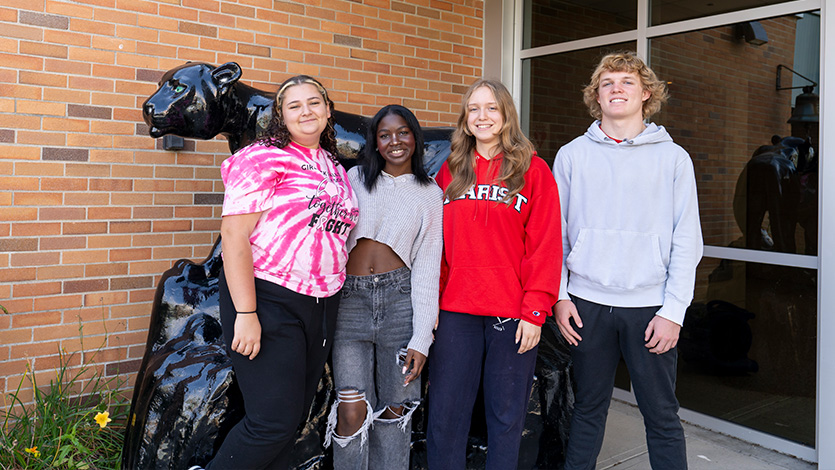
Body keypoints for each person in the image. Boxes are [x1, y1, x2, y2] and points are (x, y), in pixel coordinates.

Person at [197, 75, 358, 470]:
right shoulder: (261, 158)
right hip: (269, 299)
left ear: (328, 110)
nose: (306, 111)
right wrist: (247, 314)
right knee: (270, 423)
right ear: (281, 116)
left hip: (321, 305)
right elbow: (234, 237)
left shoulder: (334, 167)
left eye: (314, 103)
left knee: (291, 423)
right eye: (295, 105)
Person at [552, 51, 703, 470]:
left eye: (626, 81)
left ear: (646, 94)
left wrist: (673, 312)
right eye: (607, 82)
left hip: (650, 308)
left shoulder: (673, 158)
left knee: (661, 415)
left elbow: (688, 240)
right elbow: (554, 235)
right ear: (596, 97)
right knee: (587, 410)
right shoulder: (571, 156)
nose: (616, 88)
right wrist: (561, 296)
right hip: (586, 304)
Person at [426, 79, 562, 470]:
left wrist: (536, 309)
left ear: (505, 117)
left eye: (491, 108)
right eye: (474, 109)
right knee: (447, 415)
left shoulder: (533, 172)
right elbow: (436, 246)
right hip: (456, 312)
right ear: (465, 120)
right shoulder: (449, 171)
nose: (482, 116)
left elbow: (545, 245)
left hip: (512, 313)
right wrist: (432, 303)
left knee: (506, 418)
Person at [324, 105, 443, 469]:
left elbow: (426, 270)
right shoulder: (355, 178)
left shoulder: (430, 194)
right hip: (350, 303)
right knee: (351, 410)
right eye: (385, 134)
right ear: (375, 142)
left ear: (415, 138)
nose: (395, 141)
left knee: (395, 411)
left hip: (399, 304)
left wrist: (422, 338)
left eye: (403, 132)